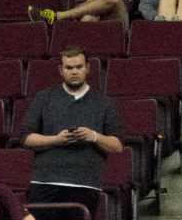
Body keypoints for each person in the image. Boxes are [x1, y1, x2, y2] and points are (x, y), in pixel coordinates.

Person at [19, 47, 125, 202]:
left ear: (87, 68)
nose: (74, 72)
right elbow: (26, 138)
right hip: (45, 182)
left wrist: (93, 136)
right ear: (61, 70)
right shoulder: (43, 98)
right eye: (69, 68)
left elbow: (117, 146)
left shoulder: (104, 103)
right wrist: (57, 139)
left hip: (86, 184)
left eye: (79, 67)